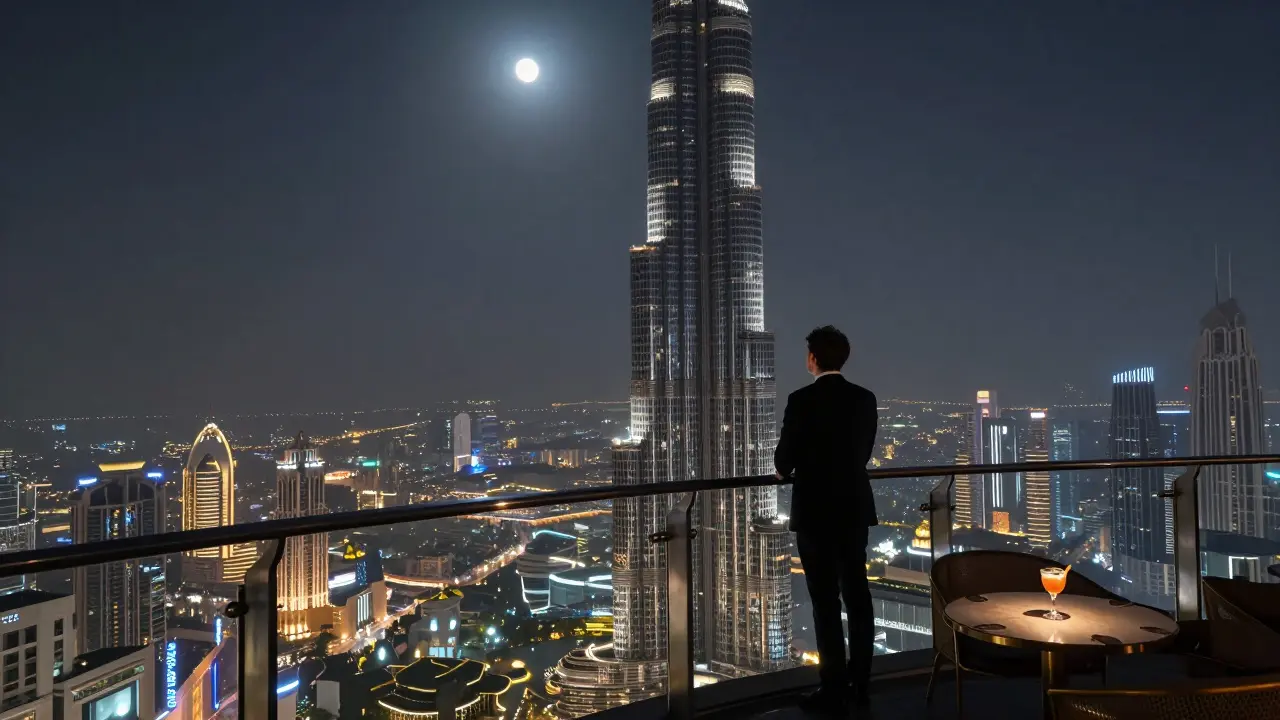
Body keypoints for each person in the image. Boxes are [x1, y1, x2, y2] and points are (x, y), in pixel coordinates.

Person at [775, 325, 879, 718]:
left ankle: (832, 686)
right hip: (853, 508)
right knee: (857, 594)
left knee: (824, 600)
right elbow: (863, 451)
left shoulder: (801, 400)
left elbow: (784, 462)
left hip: (816, 512)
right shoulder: (864, 399)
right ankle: (863, 681)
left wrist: (789, 466)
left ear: (813, 359)